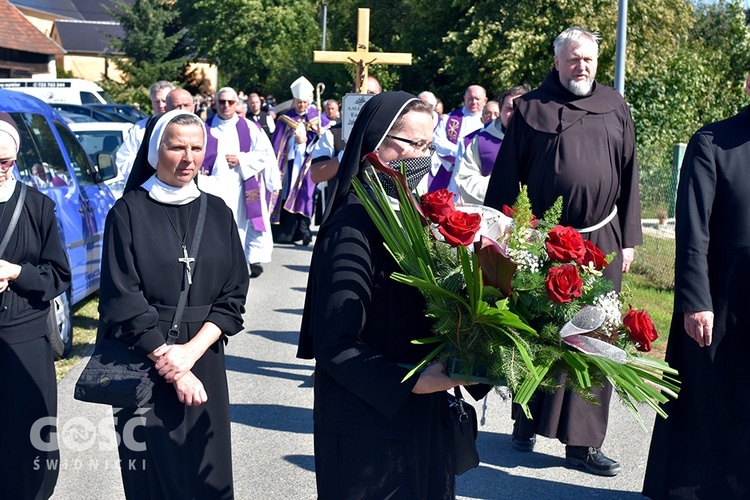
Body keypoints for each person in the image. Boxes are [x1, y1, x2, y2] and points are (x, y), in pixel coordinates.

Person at [484, 26, 642, 477]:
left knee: (596, 337)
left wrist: (628, 239)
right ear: (557, 62)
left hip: (602, 239)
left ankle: (583, 443)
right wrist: (503, 238)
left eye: (588, 59)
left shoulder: (615, 106)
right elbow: (505, 181)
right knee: (539, 334)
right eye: (573, 59)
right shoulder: (531, 109)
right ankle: (526, 416)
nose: (582, 66)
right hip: (544, 240)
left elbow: (630, 175)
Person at [298, 91, 470, 499]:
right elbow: (336, 342)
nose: (422, 158)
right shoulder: (352, 225)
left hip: (419, 413)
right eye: (414, 145)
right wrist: (409, 381)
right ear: (377, 143)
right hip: (369, 422)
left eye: (429, 146)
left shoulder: (408, 210)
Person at [99, 109, 249, 498]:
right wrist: (174, 367)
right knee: (155, 481)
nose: (188, 158)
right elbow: (121, 299)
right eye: (177, 147)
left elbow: (233, 296)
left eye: (197, 147)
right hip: (145, 362)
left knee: (209, 476)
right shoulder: (128, 212)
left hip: (205, 362)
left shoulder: (218, 212)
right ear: (155, 150)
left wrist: (191, 353)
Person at [641, 76, 750, 500]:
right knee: (710, 405)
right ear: (746, 84)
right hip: (718, 301)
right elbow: (693, 229)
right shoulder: (712, 141)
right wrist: (694, 300)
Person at [0, 111, 71, 499]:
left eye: (6, 161)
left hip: (25, 335)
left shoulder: (38, 207)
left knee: (30, 433)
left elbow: (58, 275)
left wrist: (15, 272)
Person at [198, 87, 280, 278]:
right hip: (210, 187)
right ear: (215, 104)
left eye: (230, 102)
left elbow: (264, 155)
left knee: (238, 227)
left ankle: (237, 269)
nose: (226, 106)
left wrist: (242, 160)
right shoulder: (203, 127)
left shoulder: (249, 127)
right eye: (222, 102)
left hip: (239, 189)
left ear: (236, 104)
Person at [270, 76, 329, 245]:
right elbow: (277, 144)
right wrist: (293, 141)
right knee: (288, 194)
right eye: (298, 102)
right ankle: (286, 233)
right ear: (294, 101)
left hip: (309, 164)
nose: (301, 106)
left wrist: (319, 135)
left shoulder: (317, 118)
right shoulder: (285, 119)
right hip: (289, 165)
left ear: (309, 101)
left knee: (306, 195)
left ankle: (304, 232)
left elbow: (326, 139)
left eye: (304, 102)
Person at [455, 84, 530, 204]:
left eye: (521, 108)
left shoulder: (542, 139)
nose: (515, 113)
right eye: (509, 109)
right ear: (501, 111)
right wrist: (504, 188)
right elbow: (465, 179)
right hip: (494, 212)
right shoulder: (481, 141)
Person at [430, 85, 487, 193]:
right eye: (470, 98)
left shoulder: (491, 121)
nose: (473, 102)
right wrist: (461, 154)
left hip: (480, 173)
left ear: (485, 100)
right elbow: (437, 141)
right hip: (453, 171)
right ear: (464, 98)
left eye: (477, 99)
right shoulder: (450, 118)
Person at [116, 81, 176, 181]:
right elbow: (124, 158)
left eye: (164, 101)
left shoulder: (184, 126)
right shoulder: (140, 128)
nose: (161, 105)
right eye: (156, 101)